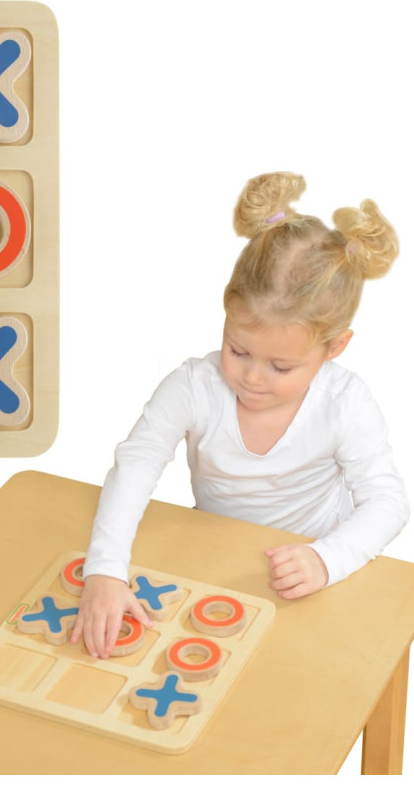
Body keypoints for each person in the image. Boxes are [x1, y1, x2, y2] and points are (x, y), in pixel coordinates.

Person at [71, 172, 409, 659]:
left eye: (280, 367)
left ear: (335, 347)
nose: (251, 377)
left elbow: (387, 502)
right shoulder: (194, 386)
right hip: (216, 558)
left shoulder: (344, 403)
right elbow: (137, 463)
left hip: (313, 566)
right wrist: (105, 569)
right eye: (238, 349)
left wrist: (326, 558)